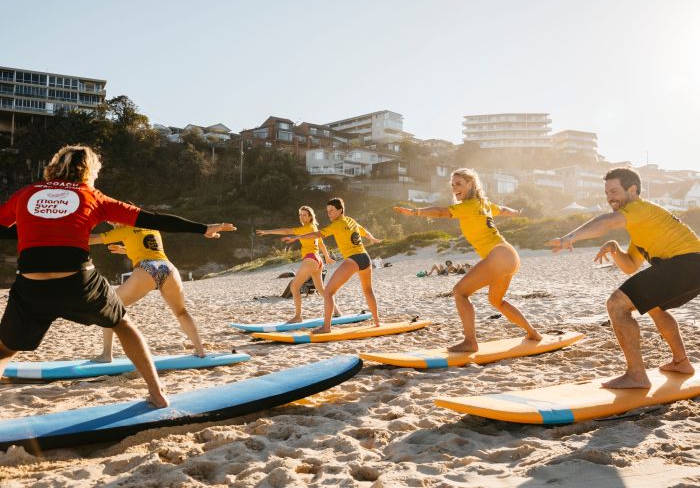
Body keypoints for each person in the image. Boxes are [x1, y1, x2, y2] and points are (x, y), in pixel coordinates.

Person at [0, 145, 235, 408]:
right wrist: (202, 228)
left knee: (5, 349)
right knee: (123, 324)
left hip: (32, 285)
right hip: (78, 282)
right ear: (89, 170)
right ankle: (157, 394)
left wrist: (32, 232)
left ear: (54, 166)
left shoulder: (26, 194)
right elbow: (153, 219)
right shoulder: (92, 195)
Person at [546, 167, 700, 389]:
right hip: (691, 267)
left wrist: (570, 238)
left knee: (617, 304)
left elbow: (607, 222)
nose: (610, 198)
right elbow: (630, 266)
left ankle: (636, 376)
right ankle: (681, 362)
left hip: (686, 263)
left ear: (633, 189)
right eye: (607, 193)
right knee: (654, 306)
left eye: (615, 191)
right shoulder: (642, 226)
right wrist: (615, 248)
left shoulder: (640, 209)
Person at [395, 168, 542, 352]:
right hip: (510, 255)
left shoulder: (468, 206)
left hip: (499, 256)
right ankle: (532, 333)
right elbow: (502, 210)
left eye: (459, 184)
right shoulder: (484, 203)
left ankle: (470, 342)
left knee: (460, 292)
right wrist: (514, 212)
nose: (454, 188)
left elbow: (441, 212)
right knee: (497, 301)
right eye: (453, 185)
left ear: (471, 184)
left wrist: (414, 212)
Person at [88, 221, 207, 362]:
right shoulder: (151, 227)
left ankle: (106, 354)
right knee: (181, 312)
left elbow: (91, 239)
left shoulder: (124, 230)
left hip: (147, 269)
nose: (113, 225)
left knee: (109, 307)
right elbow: (147, 246)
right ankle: (201, 351)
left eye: (114, 221)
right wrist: (126, 249)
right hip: (167, 268)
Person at [281, 198, 381, 334]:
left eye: (332, 211)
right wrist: (372, 239)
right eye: (328, 211)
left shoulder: (337, 224)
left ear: (340, 210)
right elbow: (364, 232)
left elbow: (317, 234)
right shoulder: (351, 220)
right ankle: (377, 322)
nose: (329, 214)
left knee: (328, 292)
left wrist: (297, 237)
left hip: (353, 260)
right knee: (368, 290)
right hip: (365, 257)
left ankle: (326, 327)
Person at [256, 206, 341, 322]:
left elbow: (287, 231)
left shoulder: (306, 228)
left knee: (294, 287)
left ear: (310, 217)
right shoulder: (313, 227)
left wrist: (268, 232)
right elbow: (321, 242)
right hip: (318, 260)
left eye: (304, 215)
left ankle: (298, 316)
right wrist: (326, 257)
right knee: (321, 290)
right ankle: (336, 311)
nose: (301, 217)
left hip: (311, 259)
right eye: (300, 214)